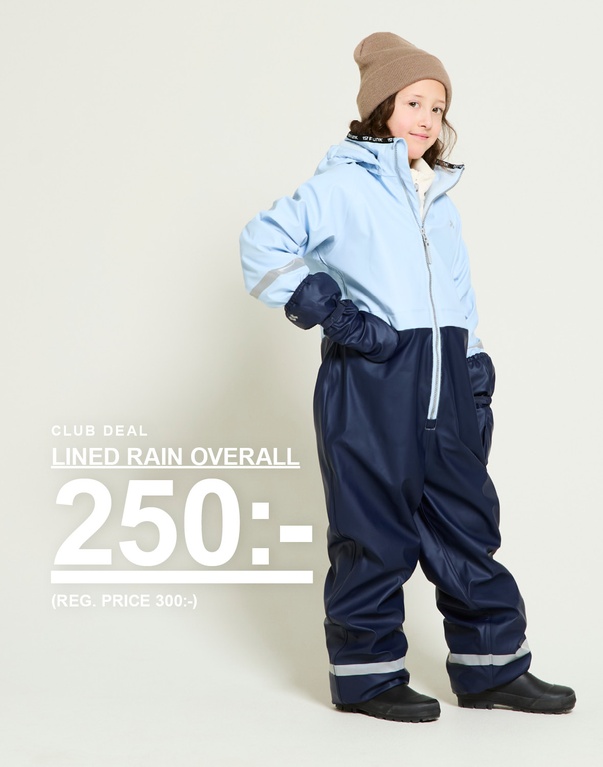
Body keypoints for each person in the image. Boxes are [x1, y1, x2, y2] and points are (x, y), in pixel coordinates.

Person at [239, 32, 575, 722]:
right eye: (413, 102)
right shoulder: (341, 187)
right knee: (372, 533)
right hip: (371, 386)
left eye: (438, 107)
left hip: (445, 388)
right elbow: (261, 244)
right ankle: (367, 679)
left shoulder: (439, 200)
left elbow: (458, 294)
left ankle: (490, 669)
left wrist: (474, 370)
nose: (426, 118)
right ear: (381, 106)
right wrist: (341, 318)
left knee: (467, 527)